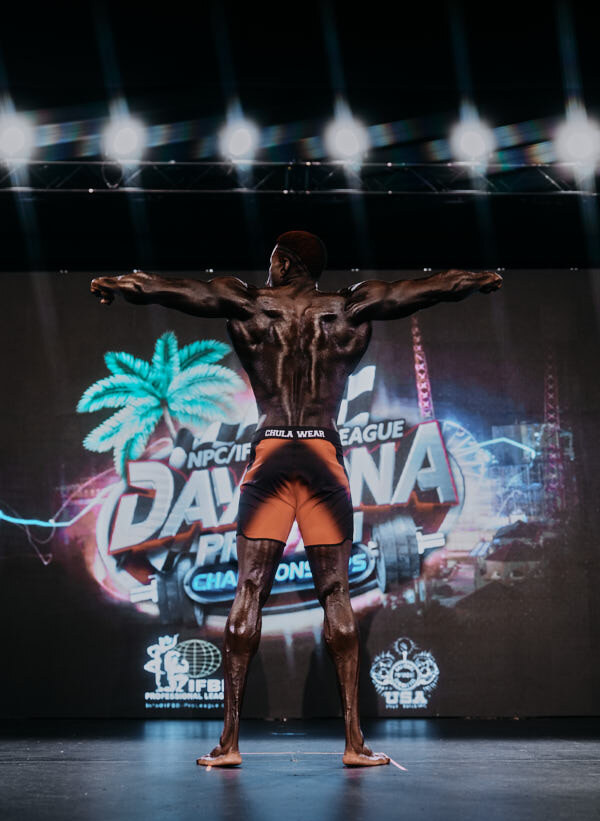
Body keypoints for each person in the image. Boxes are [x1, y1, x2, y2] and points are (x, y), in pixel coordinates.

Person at [91, 230, 502, 766]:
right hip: (321, 456)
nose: (268, 270)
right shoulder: (350, 307)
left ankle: (229, 744)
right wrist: (473, 279)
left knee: (249, 590)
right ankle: (354, 744)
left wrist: (124, 283)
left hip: (271, 454)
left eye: (271, 261)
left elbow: (180, 291)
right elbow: (421, 290)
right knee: (336, 593)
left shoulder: (249, 304)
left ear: (284, 262)